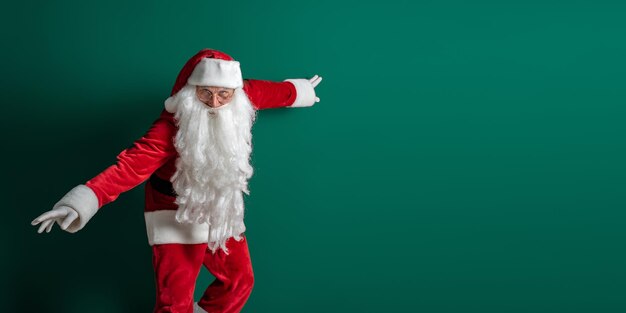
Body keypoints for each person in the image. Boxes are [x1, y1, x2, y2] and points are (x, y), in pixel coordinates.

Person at [31, 48, 323, 313]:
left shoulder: (240, 97)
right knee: (176, 302)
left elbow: (268, 92)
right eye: (205, 93)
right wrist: (83, 201)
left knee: (239, 281)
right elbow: (129, 167)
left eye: (224, 95)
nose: (215, 103)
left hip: (219, 206)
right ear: (190, 91)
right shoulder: (169, 128)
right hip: (173, 210)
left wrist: (299, 91)